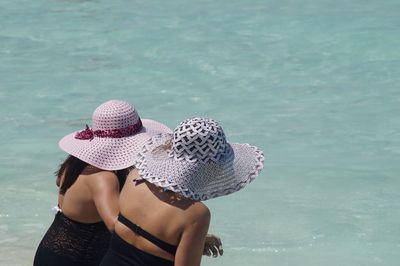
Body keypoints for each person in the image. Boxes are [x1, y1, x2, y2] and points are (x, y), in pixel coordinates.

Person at [100, 117, 264, 266]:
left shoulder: (134, 178)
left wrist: (196, 241)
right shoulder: (196, 214)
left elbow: (141, 234)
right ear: (212, 168)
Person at [34, 100, 172, 266]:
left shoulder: (74, 164)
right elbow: (115, 226)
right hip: (76, 259)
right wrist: (171, 243)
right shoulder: (103, 178)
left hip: (52, 250)